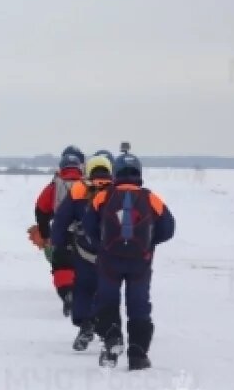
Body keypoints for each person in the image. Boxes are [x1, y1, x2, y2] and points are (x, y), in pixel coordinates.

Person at [82, 153, 175, 370]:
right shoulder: (151, 198)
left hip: (109, 261)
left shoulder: (103, 196)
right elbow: (168, 229)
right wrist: (149, 244)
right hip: (140, 262)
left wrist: (101, 245)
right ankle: (138, 355)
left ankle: (112, 337)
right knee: (139, 305)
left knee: (106, 301)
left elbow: (88, 225)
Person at [50, 155, 114, 351]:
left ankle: (85, 324)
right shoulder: (117, 190)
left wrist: (58, 244)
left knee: (83, 289)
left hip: (85, 252)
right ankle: (110, 332)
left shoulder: (79, 189)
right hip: (113, 253)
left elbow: (61, 219)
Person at [29, 147, 85, 317]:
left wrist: (45, 234)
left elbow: (41, 209)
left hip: (61, 232)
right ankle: (83, 297)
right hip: (85, 233)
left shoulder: (55, 185)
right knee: (84, 266)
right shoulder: (87, 184)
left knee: (61, 266)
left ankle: (67, 293)